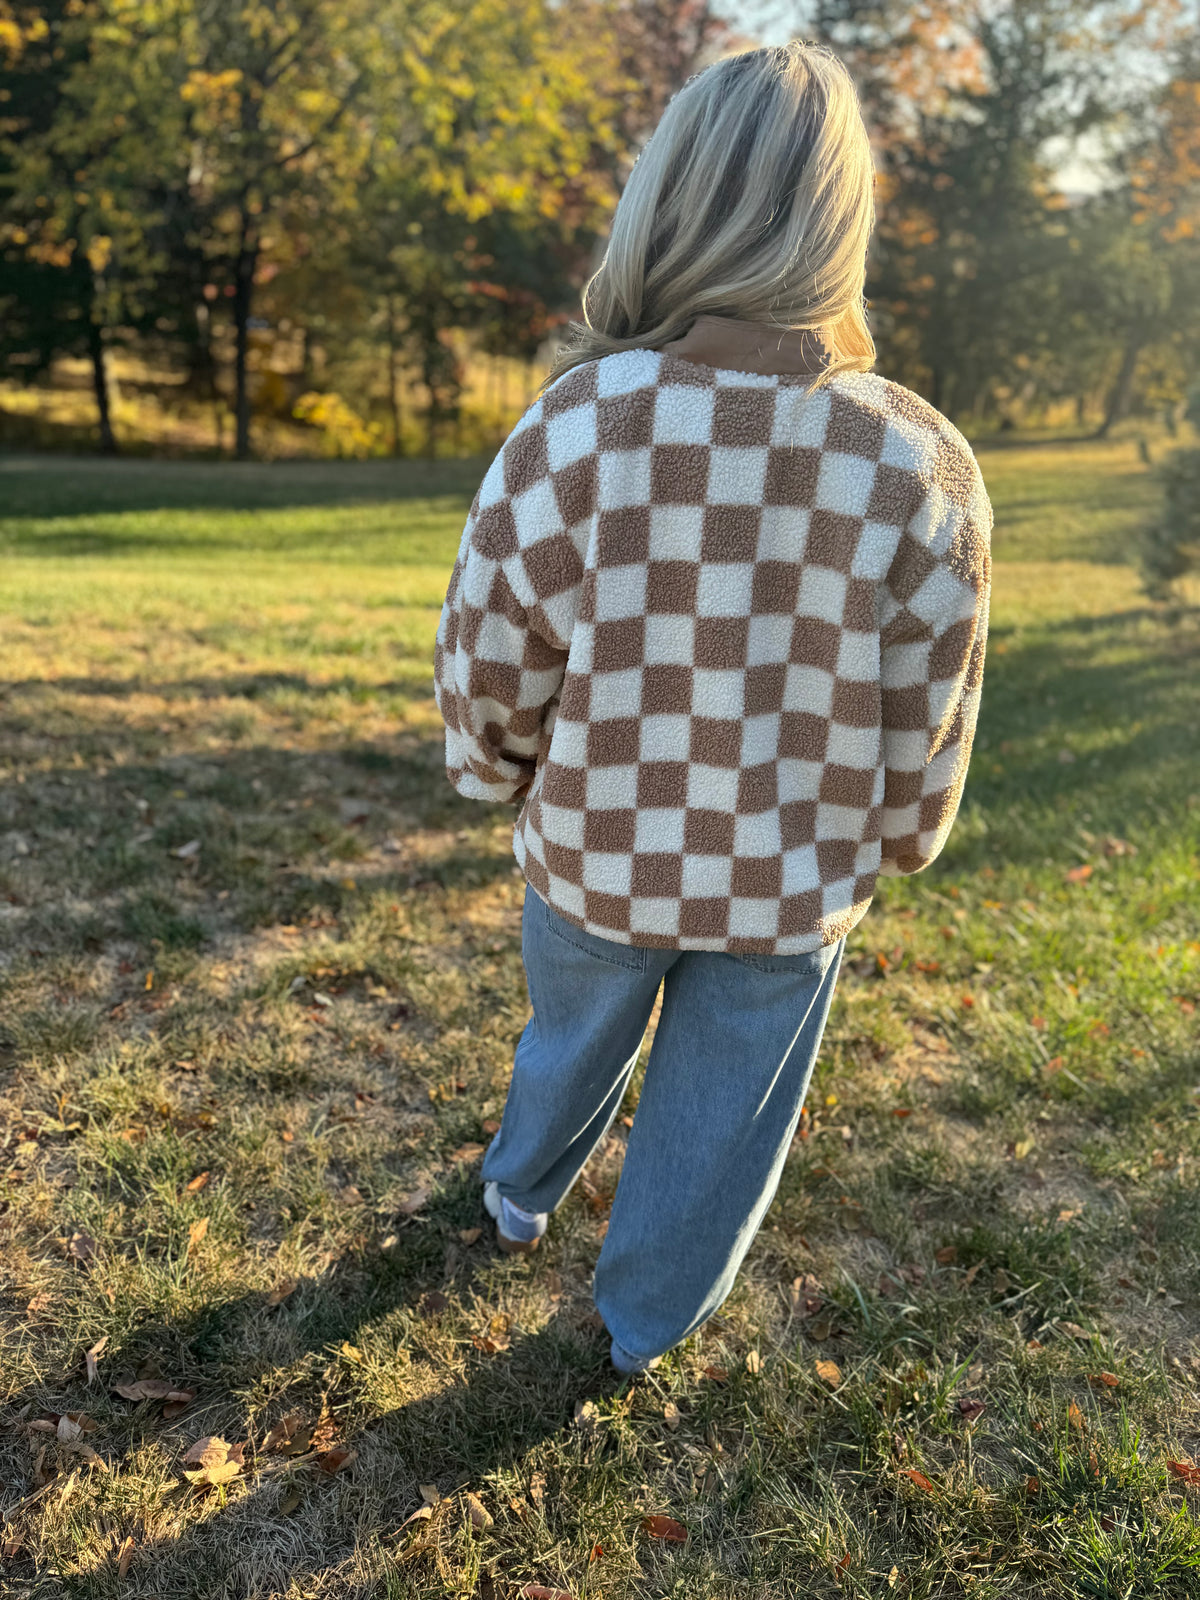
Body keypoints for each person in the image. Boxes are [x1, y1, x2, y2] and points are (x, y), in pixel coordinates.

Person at [433, 41, 992, 1375]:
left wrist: (493, 763)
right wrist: (906, 834)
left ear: (668, 199)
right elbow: (933, 701)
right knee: (719, 1123)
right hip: (788, 885)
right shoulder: (919, 460)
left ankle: (521, 1188)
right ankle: (642, 1328)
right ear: (841, 226)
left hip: (595, 852)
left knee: (570, 1036)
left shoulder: (581, 426)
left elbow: (494, 641)